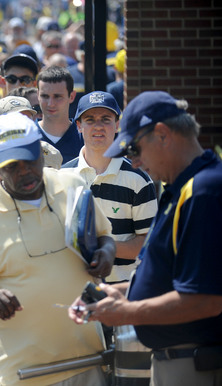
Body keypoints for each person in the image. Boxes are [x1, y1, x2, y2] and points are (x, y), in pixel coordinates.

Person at [0, 112, 115, 385]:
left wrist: (106, 253)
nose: (24, 171)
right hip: (24, 373)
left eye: (30, 160)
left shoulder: (71, 186)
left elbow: (104, 236)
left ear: (41, 150)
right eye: (12, 166)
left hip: (86, 360)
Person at [70, 91, 222, 385]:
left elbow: (206, 300)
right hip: (180, 359)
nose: (135, 162)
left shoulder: (203, 191)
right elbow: (176, 278)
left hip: (196, 363)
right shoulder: (184, 187)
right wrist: (124, 292)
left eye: (134, 149)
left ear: (162, 134)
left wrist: (127, 311)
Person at [63, 91, 157, 283]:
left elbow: (148, 243)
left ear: (117, 125)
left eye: (106, 119)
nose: (98, 126)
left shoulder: (138, 179)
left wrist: (100, 246)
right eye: (90, 119)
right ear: (79, 126)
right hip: (73, 292)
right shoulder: (61, 176)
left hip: (122, 294)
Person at [36, 65, 83, 163]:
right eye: (45, 96)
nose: (51, 103)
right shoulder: (27, 135)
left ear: (72, 96)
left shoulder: (84, 136)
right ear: (38, 95)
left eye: (57, 97)